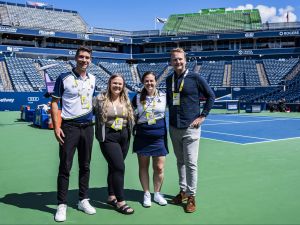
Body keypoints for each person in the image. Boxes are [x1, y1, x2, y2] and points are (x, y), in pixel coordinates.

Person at [166, 48, 215, 213]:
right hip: (173, 127)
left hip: (191, 128)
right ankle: (183, 192)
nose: (177, 62)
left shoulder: (195, 78)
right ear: (171, 62)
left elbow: (211, 96)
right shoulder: (168, 79)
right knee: (180, 162)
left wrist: (203, 116)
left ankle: (192, 195)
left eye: (180, 59)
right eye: (174, 60)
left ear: (185, 60)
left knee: (191, 163)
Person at [51, 46, 96, 222]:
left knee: (85, 165)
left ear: (90, 60)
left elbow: (94, 101)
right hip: (69, 127)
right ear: (75, 58)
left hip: (88, 127)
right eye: (81, 57)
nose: (84, 60)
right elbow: (54, 103)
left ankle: (83, 200)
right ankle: (61, 204)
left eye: (87, 57)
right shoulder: (64, 78)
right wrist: (56, 126)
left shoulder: (93, 79)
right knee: (65, 166)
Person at [94, 74, 135, 215]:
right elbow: (86, 110)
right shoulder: (100, 99)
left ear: (123, 86)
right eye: (115, 83)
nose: (117, 86)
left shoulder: (126, 99)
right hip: (108, 136)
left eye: (120, 84)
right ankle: (121, 201)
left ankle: (111, 196)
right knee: (119, 167)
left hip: (124, 136)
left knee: (113, 167)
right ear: (109, 83)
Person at [132, 71, 168, 208]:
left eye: (151, 80)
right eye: (146, 81)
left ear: (156, 81)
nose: (149, 83)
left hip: (159, 136)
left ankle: (157, 194)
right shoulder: (136, 97)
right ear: (143, 82)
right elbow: (129, 112)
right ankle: (146, 193)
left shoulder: (164, 96)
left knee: (159, 167)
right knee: (143, 166)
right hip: (142, 136)